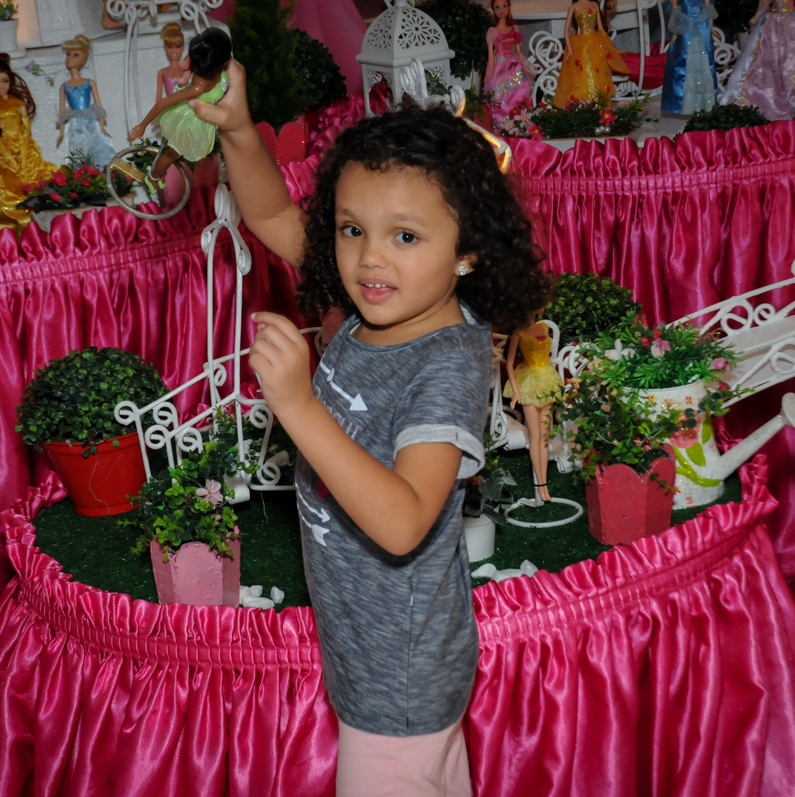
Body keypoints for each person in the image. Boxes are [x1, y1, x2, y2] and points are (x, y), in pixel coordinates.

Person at [192, 63, 552, 794]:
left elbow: (401, 522)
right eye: (351, 228)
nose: (369, 257)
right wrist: (238, 130)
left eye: (406, 235)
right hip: (374, 650)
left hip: (401, 677)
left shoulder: (446, 363)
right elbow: (267, 217)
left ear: (470, 249)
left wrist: (298, 407)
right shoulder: (372, 307)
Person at [126, 28, 230, 196]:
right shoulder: (199, 86)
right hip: (191, 118)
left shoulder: (224, 63)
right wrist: (142, 125)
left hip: (212, 115)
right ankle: (152, 176)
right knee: (173, 152)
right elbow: (164, 101)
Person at [720, 0, 795, 121]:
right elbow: (764, 5)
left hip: (792, 22)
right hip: (772, 24)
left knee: (794, 59)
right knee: (766, 60)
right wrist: (755, 21)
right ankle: (771, 97)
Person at [0, 53, 60, 230]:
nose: (1, 86)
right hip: (6, 149)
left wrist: (24, 152)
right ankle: (18, 226)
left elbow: (27, 130)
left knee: (35, 178)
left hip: (24, 146)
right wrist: (6, 154)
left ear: (10, 81)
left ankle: (44, 223)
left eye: (4, 81)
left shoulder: (18, 103)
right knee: (8, 186)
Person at [504, 316, 563, 503]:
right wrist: (515, 393)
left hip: (547, 379)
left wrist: (555, 381)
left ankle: (544, 483)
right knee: (535, 436)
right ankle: (540, 486)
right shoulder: (518, 333)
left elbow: (548, 358)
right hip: (528, 383)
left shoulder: (544, 327)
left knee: (544, 436)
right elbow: (509, 363)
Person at [552, 0, 631, 107]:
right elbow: (566, 30)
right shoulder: (574, 7)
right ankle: (584, 102)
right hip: (581, 44)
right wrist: (569, 48)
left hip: (595, 41)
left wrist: (609, 46)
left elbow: (601, 28)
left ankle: (597, 102)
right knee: (584, 70)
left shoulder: (594, 4)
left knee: (597, 71)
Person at [56, 35, 116, 168]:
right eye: (68, 54)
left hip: (90, 120)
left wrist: (102, 127)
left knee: (98, 147)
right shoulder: (64, 86)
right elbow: (62, 111)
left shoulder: (89, 82)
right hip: (73, 124)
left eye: (75, 55)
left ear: (83, 60)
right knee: (77, 151)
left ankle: (103, 171)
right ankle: (83, 176)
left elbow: (98, 105)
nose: (70, 58)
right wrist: (61, 132)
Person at [660, 0, 719, 115]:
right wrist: (675, 32)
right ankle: (689, 105)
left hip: (703, 24)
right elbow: (675, 9)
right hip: (685, 24)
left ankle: (706, 103)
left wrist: (711, 27)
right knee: (685, 61)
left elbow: (707, 6)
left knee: (704, 61)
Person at [484, 0, 537, 118]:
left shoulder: (514, 28)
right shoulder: (492, 31)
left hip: (513, 64)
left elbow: (518, 51)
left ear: (509, 8)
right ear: (493, 10)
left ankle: (519, 118)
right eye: (497, 7)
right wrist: (491, 72)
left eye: (504, 6)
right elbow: (491, 54)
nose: (501, 10)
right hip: (499, 64)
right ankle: (500, 119)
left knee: (519, 89)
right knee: (499, 92)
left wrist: (526, 68)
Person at [155, 22, 192, 105]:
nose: (174, 51)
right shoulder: (162, 72)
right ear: (165, 48)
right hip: (170, 107)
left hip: (186, 106)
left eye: (178, 46)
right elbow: (158, 98)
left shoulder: (187, 69)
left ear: (182, 47)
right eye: (169, 47)